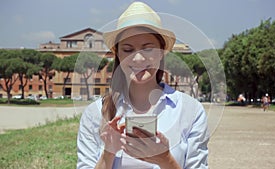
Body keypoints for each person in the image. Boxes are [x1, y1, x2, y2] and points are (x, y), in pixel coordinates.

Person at [76, 2, 209, 169]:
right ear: (118, 54)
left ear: (161, 52)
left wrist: (165, 159)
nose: (138, 59)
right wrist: (108, 152)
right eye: (128, 49)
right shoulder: (94, 114)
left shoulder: (191, 111)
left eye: (148, 49)